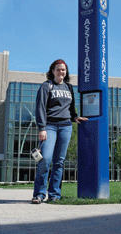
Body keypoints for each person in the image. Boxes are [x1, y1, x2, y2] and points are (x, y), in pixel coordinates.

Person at [32, 59, 87, 204]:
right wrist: (42, 128)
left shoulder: (68, 87)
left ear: (66, 71)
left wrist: (75, 117)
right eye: (58, 69)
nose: (61, 72)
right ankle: (39, 194)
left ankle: (55, 194)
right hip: (49, 126)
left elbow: (71, 108)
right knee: (45, 159)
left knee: (59, 162)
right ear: (52, 71)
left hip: (66, 127)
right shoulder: (46, 86)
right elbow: (40, 108)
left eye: (63, 69)